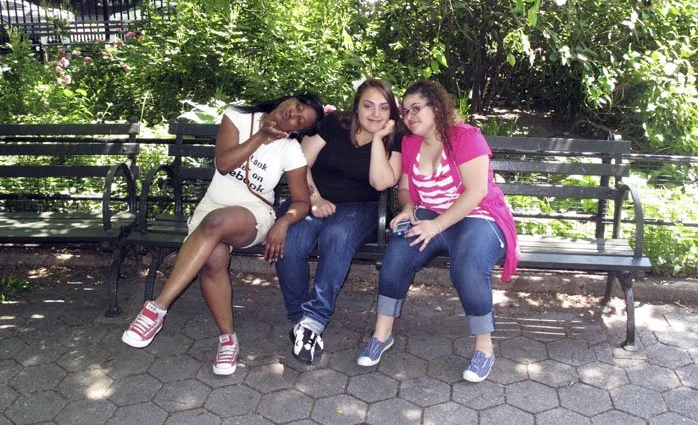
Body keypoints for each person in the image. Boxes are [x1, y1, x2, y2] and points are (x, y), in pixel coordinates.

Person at [122, 94, 324, 376]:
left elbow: (302, 201)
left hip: (253, 214)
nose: (295, 115)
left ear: (297, 132)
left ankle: (157, 309)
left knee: (215, 224)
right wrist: (261, 136)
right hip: (212, 206)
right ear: (289, 99)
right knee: (212, 258)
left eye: (302, 121)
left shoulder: (290, 150)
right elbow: (224, 164)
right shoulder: (238, 117)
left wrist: (284, 222)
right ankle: (228, 340)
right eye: (298, 107)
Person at [357, 79, 519, 383]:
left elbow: (476, 192)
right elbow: (404, 188)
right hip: (430, 215)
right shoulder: (410, 143)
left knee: (468, 267)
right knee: (397, 254)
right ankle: (382, 334)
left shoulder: (465, 136)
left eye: (417, 108)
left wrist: (437, 224)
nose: (410, 116)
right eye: (405, 112)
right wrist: (407, 209)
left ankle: (484, 349)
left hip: (478, 216)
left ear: (436, 106)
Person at [275, 78, 402, 364]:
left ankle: (315, 319)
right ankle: (301, 321)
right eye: (368, 105)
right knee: (292, 240)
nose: (375, 113)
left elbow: (381, 183)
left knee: (337, 236)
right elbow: (299, 162)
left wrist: (380, 140)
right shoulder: (334, 124)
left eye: (384, 107)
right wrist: (315, 198)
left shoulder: (396, 137)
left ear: (391, 112)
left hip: (360, 208)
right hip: (312, 199)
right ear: (356, 106)